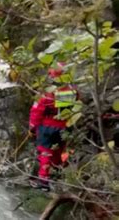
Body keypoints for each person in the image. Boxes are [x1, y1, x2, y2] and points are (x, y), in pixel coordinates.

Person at [28, 62, 79, 191]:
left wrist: (32, 127)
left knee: (45, 152)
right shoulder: (73, 91)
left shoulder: (46, 93)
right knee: (59, 151)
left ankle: (43, 181)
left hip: (47, 127)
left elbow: (36, 111)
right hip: (65, 127)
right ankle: (56, 176)